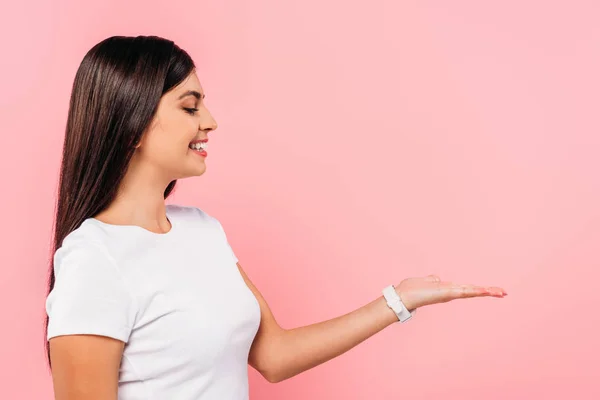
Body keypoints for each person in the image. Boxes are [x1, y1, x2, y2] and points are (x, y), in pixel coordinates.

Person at [44, 35, 507, 400]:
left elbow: (274, 355)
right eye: (190, 106)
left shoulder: (203, 231)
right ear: (133, 123)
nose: (210, 121)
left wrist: (398, 300)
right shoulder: (95, 261)